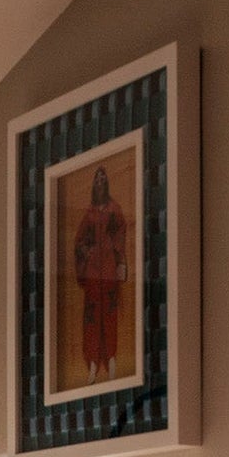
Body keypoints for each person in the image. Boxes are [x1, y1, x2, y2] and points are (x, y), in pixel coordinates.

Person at [72, 164, 128, 383]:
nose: (100, 183)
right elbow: (79, 241)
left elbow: (121, 234)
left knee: (110, 315)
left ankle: (111, 359)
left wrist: (118, 257)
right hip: (94, 271)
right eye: (97, 180)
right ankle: (93, 364)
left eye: (103, 179)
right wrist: (87, 251)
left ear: (107, 183)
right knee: (92, 317)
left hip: (109, 270)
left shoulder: (115, 209)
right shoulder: (89, 213)